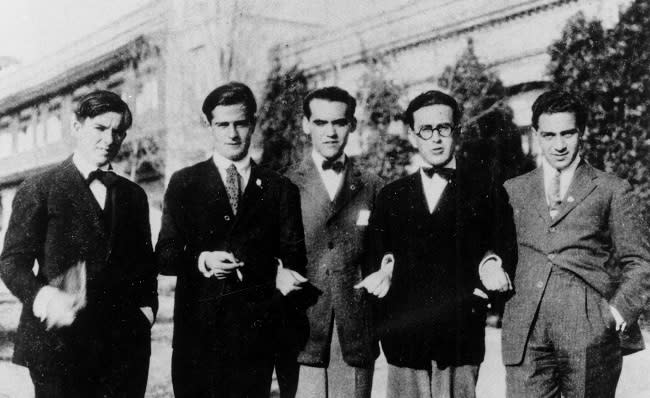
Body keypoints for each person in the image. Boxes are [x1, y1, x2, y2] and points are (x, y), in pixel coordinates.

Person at [0, 90, 157, 397]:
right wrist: (45, 298)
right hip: (59, 349)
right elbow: (11, 263)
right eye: (100, 128)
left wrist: (146, 312)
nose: (109, 140)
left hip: (123, 350)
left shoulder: (133, 196)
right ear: (76, 128)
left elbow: (145, 266)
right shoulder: (40, 188)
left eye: (118, 133)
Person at [360, 90, 516, 398]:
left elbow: (504, 245)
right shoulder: (391, 196)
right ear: (413, 135)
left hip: (460, 337)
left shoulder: (484, 190)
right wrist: (385, 271)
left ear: (457, 131)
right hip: (405, 340)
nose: (435, 138)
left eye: (443, 128)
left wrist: (491, 264)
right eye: (426, 130)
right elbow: (374, 255)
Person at [155, 82, 307, 398]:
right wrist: (203, 260)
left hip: (256, 338)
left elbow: (294, 255)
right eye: (223, 124)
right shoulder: (185, 183)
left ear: (253, 123)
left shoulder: (279, 188)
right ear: (209, 126)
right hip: (197, 339)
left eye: (240, 123)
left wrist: (277, 270)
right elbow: (166, 255)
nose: (232, 133)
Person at [502, 89, 650, 398]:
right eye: (549, 135)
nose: (558, 145)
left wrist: (614, 316)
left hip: (589, 329)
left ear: (581, 132)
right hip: (526, 330)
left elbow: (639, 263)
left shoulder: (611, 189)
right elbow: (494, 248)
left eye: (567, 134)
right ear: (535, 134)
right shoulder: (513, 191)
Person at [278, 86, 383, 398]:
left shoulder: (374, 186)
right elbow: (265, 252)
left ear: (351, 124)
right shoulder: (283, 186)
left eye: (339, 122)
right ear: (305, 125)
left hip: (355, 332)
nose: (331, 132)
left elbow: (386, 253)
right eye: (321, 123)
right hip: (302, 331)